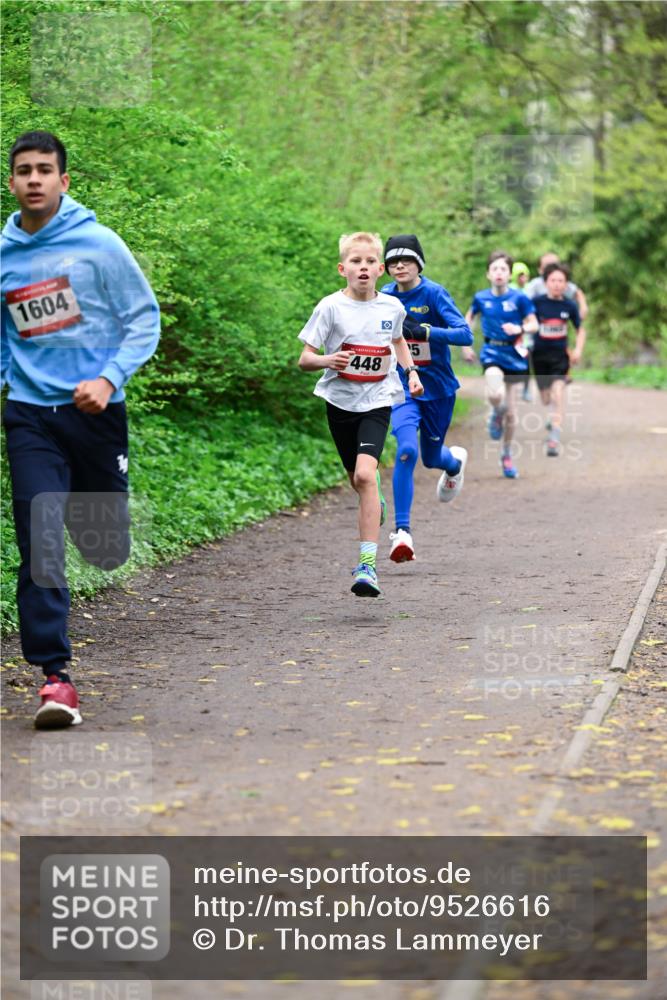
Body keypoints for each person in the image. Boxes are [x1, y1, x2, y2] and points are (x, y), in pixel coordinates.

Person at [1, 131, 160, 728]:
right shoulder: (4, 254)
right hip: (30, 415)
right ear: (12, 182)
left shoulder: (99, 246)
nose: (34, 178)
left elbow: (144, 320)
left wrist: (109, 377)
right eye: (24, 170)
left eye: (45, 169)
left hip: (95, 414)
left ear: (64, 182)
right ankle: (55, 678)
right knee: (40, 538)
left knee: (104, 548)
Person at [298, 231, 423, 597]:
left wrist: (410, 372)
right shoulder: (330, 308)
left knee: (366, 475)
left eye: (370, 262)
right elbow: (305, 359)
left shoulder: (392, 309)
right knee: (358, 480)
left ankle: (367, 565)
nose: (363, 268)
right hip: (339, 403)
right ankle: (374, 498)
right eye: (356, 262)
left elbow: (398, 340)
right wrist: (327, 359)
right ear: (343, 269)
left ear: (380, 269)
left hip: (377, 400)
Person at [381, 234, 473, 563]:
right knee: (406, 451)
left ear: (419, 263)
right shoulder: (384, 297)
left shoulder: (433, 293)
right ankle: (402, 532)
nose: (399, 266)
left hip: (438, 389)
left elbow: (465, 334)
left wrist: (427, 332)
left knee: (431, 458)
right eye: (392, 261)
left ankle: (454, 464)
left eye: (406, 260)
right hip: (403, 387)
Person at [462, 250, 537, 479]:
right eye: (495, 269)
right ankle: (495, 412)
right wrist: (466, 345)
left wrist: (520, 329)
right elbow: (469, 318)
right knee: (496, 394)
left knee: (512, 414)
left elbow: (534, 324)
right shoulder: (481, 297)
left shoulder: (519, 299)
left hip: (514, 355)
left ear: (509, 274)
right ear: (488, 273)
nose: (499, 273)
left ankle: (506, 454)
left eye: (503, 269)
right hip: (492, 352)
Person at [531, 262, 586, 456]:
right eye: (553, 280)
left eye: (561, 281)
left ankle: (554, 435)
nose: (556, 284)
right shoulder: (536, 303)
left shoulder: (569, 305)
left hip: (560, 357)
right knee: (546, 399)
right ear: (546, 282)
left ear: (566, 284)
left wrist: (578, 349)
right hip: (539, 356)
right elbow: (526, 322)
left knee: (557, 393)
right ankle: (553, 416)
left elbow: (580, 329)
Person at [525, 251, 588, 321]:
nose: (551, 270)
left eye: (554, 266)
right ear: (540, 270)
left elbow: (577, 292)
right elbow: (525, 301)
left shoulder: (561, 282)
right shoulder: (535, 284)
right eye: (547, 267)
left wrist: (583, 307)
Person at [510, 262, 533, 401]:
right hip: (511, 332)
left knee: (526, 360)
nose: (523, 279)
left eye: (525, 276)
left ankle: (526, 389)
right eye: (520, 276)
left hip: (525, 332)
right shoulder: (509, 290)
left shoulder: (529, 290)